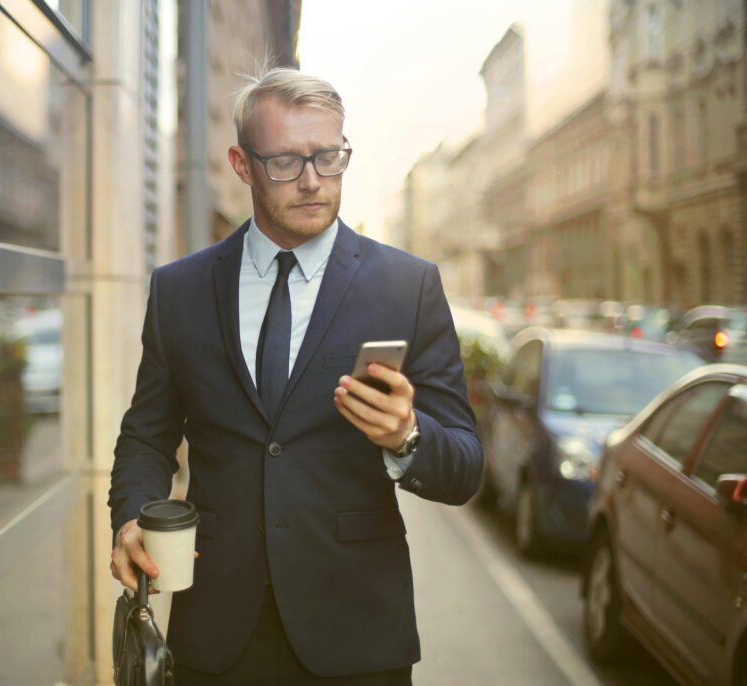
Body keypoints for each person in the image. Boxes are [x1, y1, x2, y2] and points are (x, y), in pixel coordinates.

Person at [108, 67, 483, 685]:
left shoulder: (408, 286)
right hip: (216, 637)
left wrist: (407, 437)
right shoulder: (179, 290)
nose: (312, 181)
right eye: (285, 161)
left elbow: (465, 467)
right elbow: (147, 436)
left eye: (328, 157)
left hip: (358, 639)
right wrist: (129, 517)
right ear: (242, 164)